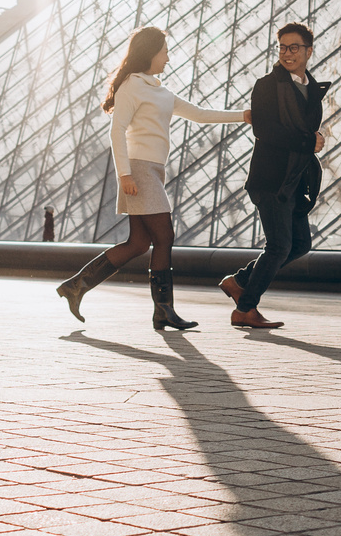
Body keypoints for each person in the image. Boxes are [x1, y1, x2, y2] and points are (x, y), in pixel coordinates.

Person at [57, 26, 249, 329]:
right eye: (165, 52)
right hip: (139, 169)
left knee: (138, 243)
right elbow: (116, 131)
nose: (168, 58)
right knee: (164, 237)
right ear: (150, 53)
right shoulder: (132, 87)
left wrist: (243, 115)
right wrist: (125, 175)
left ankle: (75, 286)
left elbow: (199, 114)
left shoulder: (160, 91)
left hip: (152, 170)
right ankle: (164, 310)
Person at [220, 23, 331, 331]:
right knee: (280, 245)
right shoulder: (267, 84)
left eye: (294, 47)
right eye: (282, 47)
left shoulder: (313, 88)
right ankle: (245, 308)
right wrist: (310, 142)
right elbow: (264, 131)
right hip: (270, 179)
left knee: (299, 245)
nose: (287, 53)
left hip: (295, 181)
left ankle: (239, 281)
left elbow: (302, 129)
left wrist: (313, 139)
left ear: (309, 51)